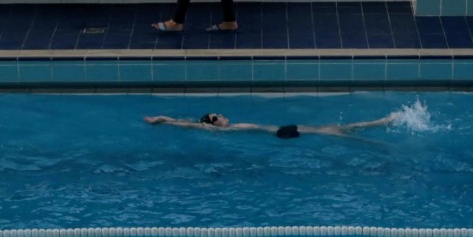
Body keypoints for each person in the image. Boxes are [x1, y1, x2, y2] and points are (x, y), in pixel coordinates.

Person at [144, 111, 400, 139]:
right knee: (334, 132)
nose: (221, 116)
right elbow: (187, 124)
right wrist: (163, 120)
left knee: (334, 129)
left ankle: (379, 123)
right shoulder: (209, 129)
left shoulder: (228, 127)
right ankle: (377, 128)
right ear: (211, 124)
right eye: (215, 117)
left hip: (280, 130)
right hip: (279, 133)